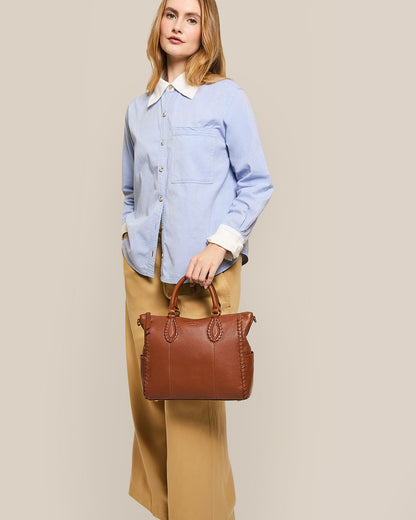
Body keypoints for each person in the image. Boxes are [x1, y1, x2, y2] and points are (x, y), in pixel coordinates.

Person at [120, 0, 274, 518]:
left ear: (207, 29)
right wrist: (133, 234)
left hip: (200, 280)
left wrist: (218, 244)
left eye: (191, 17)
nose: (179, 26)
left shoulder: (226, 99)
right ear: (158, 23)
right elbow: (129, 189)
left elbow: (256, 182)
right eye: (170, 14)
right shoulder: (137, 110)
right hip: (143, 272)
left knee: (191, 413)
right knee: (149, 406)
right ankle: (168, 512)